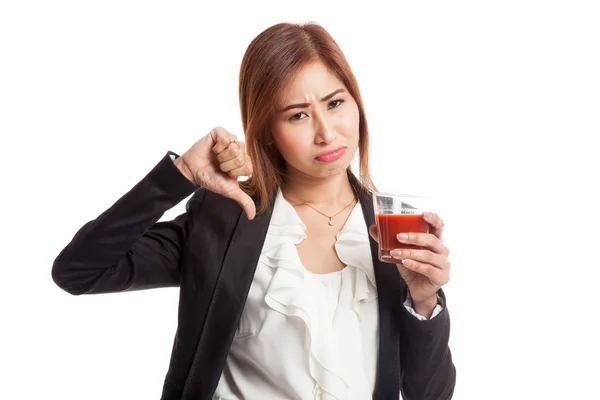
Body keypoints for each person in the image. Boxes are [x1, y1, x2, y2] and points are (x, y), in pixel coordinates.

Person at [52, 22, 456, 400]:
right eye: (298, 114)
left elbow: (430, 394)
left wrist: (424, 301)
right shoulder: (223, 220)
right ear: (266, 131)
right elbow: (79, 271)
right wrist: (179, 177)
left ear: (356, 103)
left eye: (335, 103)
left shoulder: (396, 230)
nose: (326, 132)